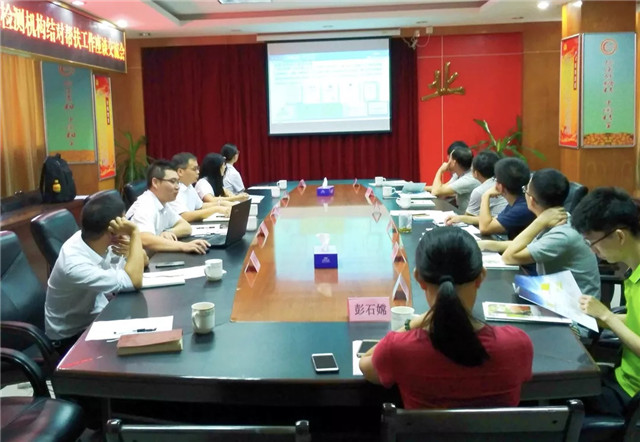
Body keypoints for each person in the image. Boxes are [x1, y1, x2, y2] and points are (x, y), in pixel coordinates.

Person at [359, 227, 533, 409]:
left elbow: (365, 364)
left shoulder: (397, 349)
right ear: (481, 277)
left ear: (419, 278)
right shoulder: (518, 344)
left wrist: (414, 323)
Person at [45, 193, 146, 355]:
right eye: (124, 222)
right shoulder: (75, 264)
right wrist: (134, 232)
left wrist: (131, 250)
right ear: (112, 231)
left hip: (99, 315)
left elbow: (143, 261)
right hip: (71, 337)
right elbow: (134, 281)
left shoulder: (98, 241)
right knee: (139, 349)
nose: (127, 225)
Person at [478, 168, 601, 298]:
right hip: (557, 293)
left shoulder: (561, 233)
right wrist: (485, 244)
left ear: (531, 200)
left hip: (575, 305)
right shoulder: (556, 218)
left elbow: (509, 257)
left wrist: (540, 221)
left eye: (525, 190)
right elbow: (523, 245)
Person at [572, 187, 640, 417]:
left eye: (594, 242)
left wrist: (606, 315)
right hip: (621, 375)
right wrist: (594, 317)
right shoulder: (634, 270)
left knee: (554, 392)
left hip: (632, 394)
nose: (593, 251)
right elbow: (636, 320)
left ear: (619, 236)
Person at [126, 160, 209, 254]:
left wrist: (169, 232)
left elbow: (186, 226)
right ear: (155, 182)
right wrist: (184, 246)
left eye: (178, 182)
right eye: (172, 181)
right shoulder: (145, 204)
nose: (177, 187)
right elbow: (145, 239)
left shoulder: (163, 203)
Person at [478, 157, 535, 238]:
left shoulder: (522, 208)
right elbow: (493, 220)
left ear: (500, 186)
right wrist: (463, 218)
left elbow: (485, 228)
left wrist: (485, 196)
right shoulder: (520, 200)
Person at [446, 150, 507, 225]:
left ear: (476, 173)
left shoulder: (479, 191)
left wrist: (459, 218)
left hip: (495, 228)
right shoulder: (504, 182)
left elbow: (468, 218)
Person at [168, 152, 232, 222]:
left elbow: (200, 206)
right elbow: (184, 216)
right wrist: (216, 209)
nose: (198, 172)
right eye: (194, 169)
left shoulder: (189, 186)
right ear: (180, 172)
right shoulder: (172, 189)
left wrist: (221, 204)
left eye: (198, 168)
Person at [428, 147, 480, 213]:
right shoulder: (459, 173)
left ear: (454, 162)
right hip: (462, 213)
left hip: (468, 216)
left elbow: (436, 191)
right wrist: (421, 188)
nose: (447, 162)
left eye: (450, 158)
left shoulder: (468, 179)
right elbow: (442, 188)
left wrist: (440, 170)